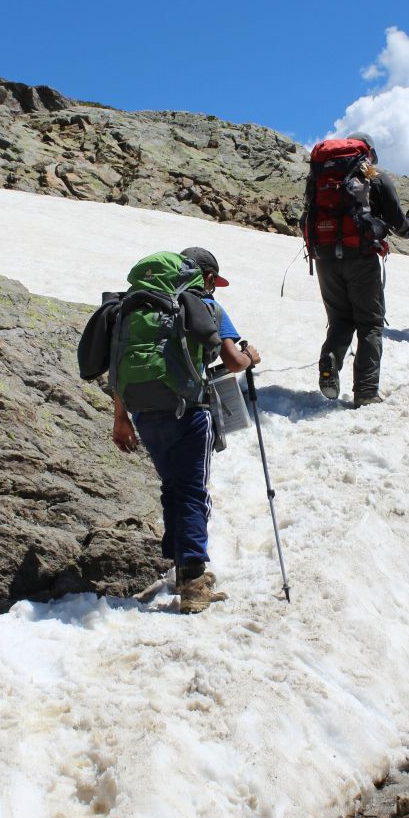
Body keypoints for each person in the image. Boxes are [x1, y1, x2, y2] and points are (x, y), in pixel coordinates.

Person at [111, 246, 261, 613]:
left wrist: (120, 417)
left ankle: (183, 570)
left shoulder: (136, 306)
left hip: (144, 413)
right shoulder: (205, 306)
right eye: (215, 282)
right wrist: (251, 358)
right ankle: (193, 583)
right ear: (206, 277)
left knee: (172, 488)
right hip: (189, 412)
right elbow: (231, 359)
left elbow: (117, 361)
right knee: (193, 492)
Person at [302, 131, 409, 407]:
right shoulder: (374, 176)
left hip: (325, 259)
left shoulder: (318, 176)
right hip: (361, 258)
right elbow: (399, 225)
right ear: (369, 151)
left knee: (341, 319)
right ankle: (365, 391)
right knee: (370, 324)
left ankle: (331, 359)